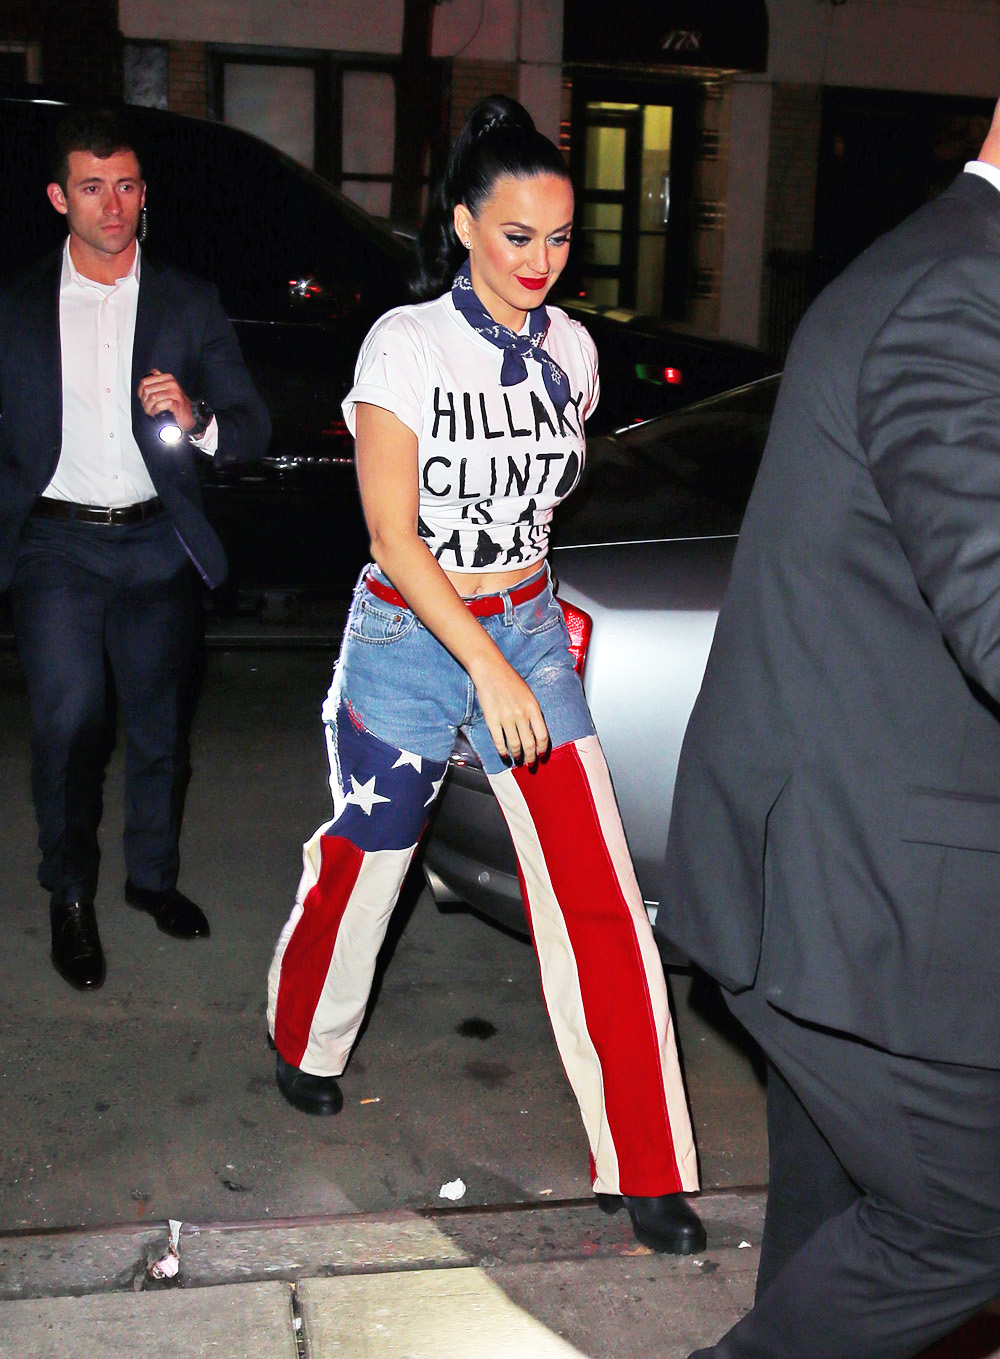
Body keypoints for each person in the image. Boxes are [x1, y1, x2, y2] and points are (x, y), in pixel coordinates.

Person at [267, 94, 705, 1255]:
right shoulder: (402, 346)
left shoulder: (574, 351)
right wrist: (485, 668)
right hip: (416, 632)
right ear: (464, 224)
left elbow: (543, 505)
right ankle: (302, 1036)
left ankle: (647, 1161)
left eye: (560, 239)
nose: (541, 264)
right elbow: (393, 539)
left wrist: (523, 654)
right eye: (517, 236)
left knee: (596, 889)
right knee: (370, 860)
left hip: (524, 623)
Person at [659, 105, 1000, 1354]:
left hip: (838, 888)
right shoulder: (964, 291)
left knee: (833, 1227)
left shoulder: (936, 262)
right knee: (968, 1223)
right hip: (859, 903)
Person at [0, 107, 271, 992]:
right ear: (58, 197)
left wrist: (195, 421)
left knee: (159, 734)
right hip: (57, 547)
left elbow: (254, 429)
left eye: (125, 187)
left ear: (142, 194)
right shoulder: (18, 305)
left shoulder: (188, 301)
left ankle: (151, 879)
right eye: (90, 187)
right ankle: (69, 892)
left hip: (157, 544)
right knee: (69, 722)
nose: (110, 206)